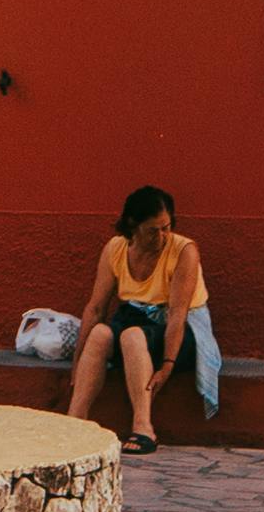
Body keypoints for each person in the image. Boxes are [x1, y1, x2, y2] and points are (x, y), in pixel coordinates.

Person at [70, 185, 208, 446]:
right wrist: (77, 361)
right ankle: (75, 421)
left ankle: (143, 427)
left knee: (133, 336)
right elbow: (96, 308)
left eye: (166, 227)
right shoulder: (116, 248)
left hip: (180, 333)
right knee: (100, 333)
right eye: (152, 231)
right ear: (133, 226)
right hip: (133, 323)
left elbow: (178, 314)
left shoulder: (184, 250)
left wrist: (167, 366)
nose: (162, 236)